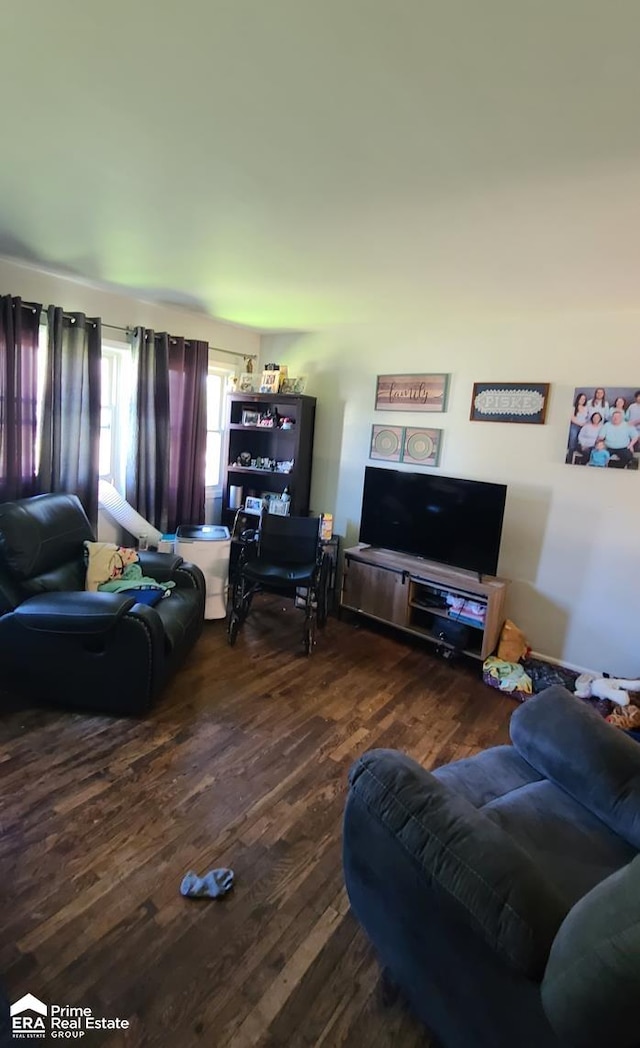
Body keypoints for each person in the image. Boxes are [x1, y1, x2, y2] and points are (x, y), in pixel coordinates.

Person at [566, 392, 589, 461]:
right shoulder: (573, 407)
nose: (582, 400)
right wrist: (580, 424)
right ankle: (570, 457)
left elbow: (587, 418)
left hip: (584, 426)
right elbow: (572, 418)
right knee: (573, 436)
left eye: (584, 399)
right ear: (578, 399)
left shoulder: (586, 408)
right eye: (581, 399)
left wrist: (584, 425)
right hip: (575, 425)